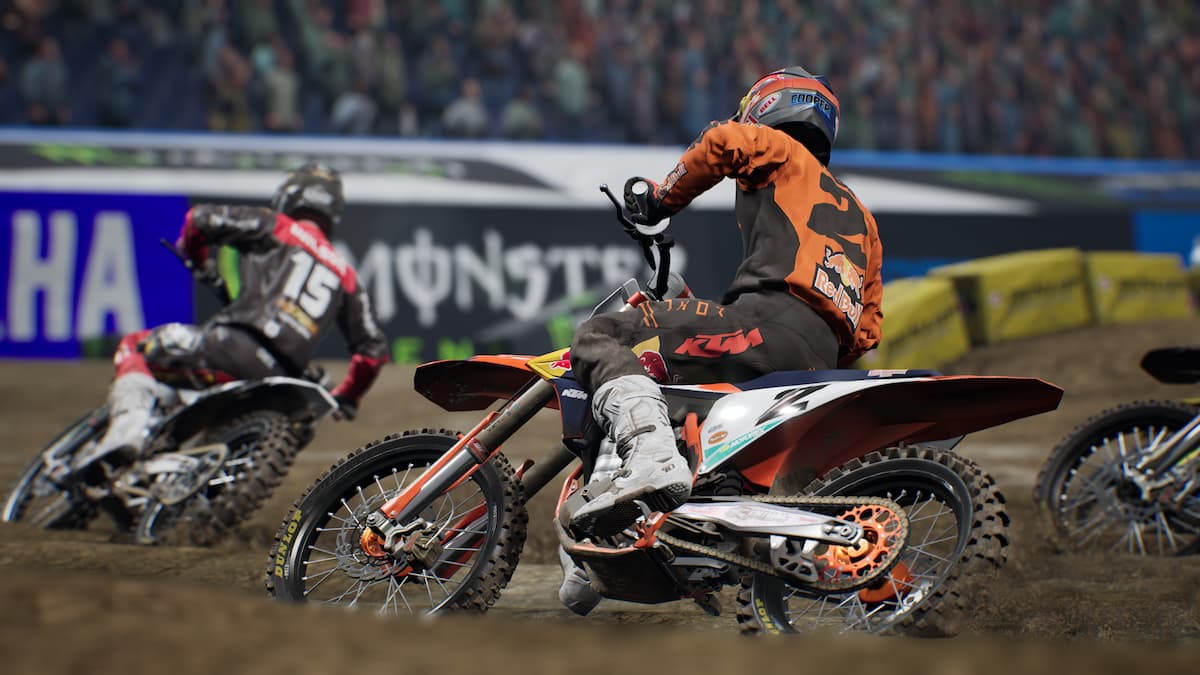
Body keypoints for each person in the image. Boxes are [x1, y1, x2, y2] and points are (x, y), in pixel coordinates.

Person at [559, 67, 884, 613]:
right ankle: (692, 515)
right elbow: (867, 332)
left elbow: (721, 142)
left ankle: (652, 460)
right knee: (693, 395)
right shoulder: (865, 221)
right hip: (817, 358)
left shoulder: (780, 150)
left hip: (765, 319)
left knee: (601, 335)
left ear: (766, 107)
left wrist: (659, 200)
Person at [92, 163, 389, 462]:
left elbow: (200, 219)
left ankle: (126, 433)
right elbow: (373, 351)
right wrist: (348, 396)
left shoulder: (277, 226)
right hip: (282, 382)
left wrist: (199, 261)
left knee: (135, 346)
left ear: (290, 195)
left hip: (228, 349)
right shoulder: (346, 274)